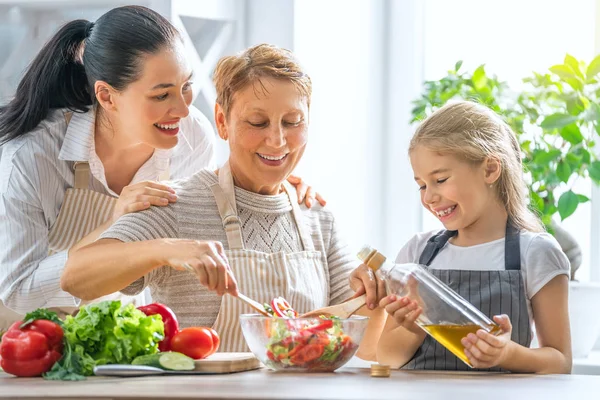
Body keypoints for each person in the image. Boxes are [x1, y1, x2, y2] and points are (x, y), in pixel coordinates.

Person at [0, 6, 320, 329]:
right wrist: (115, 227)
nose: (183, 109)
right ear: (108, 97)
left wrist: (276, 186)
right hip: (28, 340)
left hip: (122, 335)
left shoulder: (192, 138)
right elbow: (17, 290)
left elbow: (206, 212)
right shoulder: (31, 158)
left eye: (186, 86)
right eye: (162, 95)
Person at [62, 43, 385, 358]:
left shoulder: (316, 217)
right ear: (221, 121)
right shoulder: (177, 203)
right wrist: (166, 249)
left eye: (292, 122)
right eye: (257, 123)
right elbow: (75, 277)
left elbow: (366, 345)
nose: (277, 140)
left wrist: (378, 297)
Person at [356, 101, 571, 373]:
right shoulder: (418, 253)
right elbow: (387, 358)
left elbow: (561, 362)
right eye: (421, 185)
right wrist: (412, 328)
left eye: (440, 180)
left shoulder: (535, 252)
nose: (429, 197)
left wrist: (506, 353)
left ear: (490, 169)